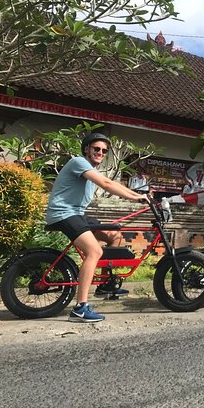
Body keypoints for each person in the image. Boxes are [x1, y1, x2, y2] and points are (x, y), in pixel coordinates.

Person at [45, 133, 148, 323]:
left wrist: (141, 196)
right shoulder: (78, 162)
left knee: (114, 235)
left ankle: (105, 285)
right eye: (96, 149)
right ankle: (80, 309)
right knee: (94, 251)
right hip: (63, 213)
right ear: (87, 149)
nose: (100, 153)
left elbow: (113, 183)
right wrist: (134, 198)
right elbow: (107, 183)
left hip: (77, 214)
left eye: (104, 151)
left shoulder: (91, 169)